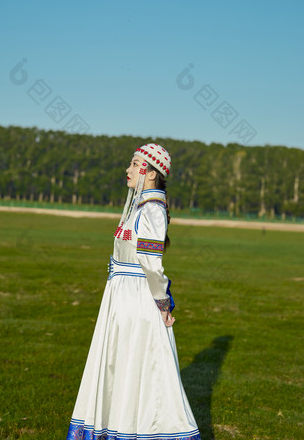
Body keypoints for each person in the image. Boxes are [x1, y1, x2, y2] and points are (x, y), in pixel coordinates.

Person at [66, 143, 201, 440]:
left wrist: (163, 303)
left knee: (141, 367)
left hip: (137, 300)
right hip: (121, 298)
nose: (128, 169)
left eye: (135, 164)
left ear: (152, 174)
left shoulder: (152, 210)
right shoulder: (139, 207)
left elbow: (152, 264)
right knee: (120, 364)